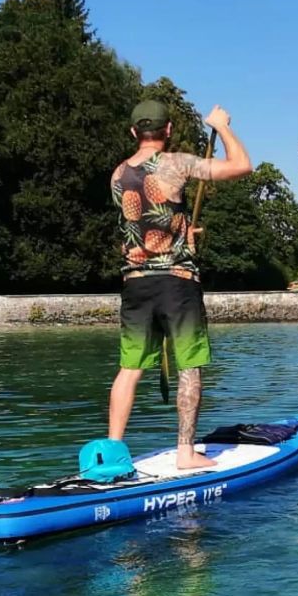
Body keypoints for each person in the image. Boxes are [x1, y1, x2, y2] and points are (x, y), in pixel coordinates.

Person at [107, 99, 252, 469]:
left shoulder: (118, 174)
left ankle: (111, 451)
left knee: (130, 368)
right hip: (177, 281)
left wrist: (184, 231)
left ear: (133, 132)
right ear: (168, 130)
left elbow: (145, 223)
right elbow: (241, 166)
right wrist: (221, 126)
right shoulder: (177, 163)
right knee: (190, 365)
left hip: (136, 281)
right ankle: (186, 453)